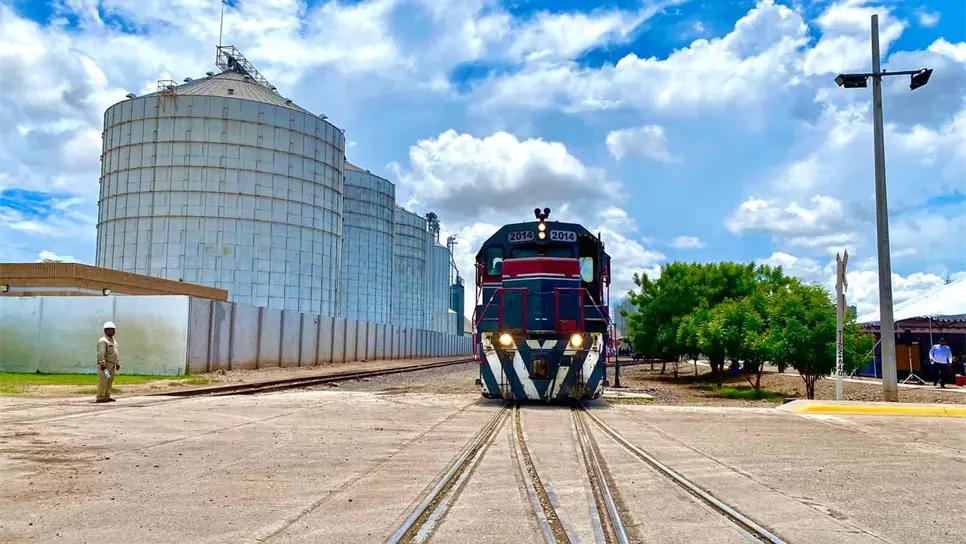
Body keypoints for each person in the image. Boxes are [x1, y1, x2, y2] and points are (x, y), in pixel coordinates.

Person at [96, 321, 120, 403]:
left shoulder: (113, 341)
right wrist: (102, 363)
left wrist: (117, 362)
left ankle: (107, 395)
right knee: (104, 380)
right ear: (106, 330)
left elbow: (115, 352)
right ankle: (100, 396)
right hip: (106, 365)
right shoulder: (103, 341)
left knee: (109, 380)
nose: (114, 331)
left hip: (112, 365)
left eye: (114, 329)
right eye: (111, 330)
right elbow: (100, 353)